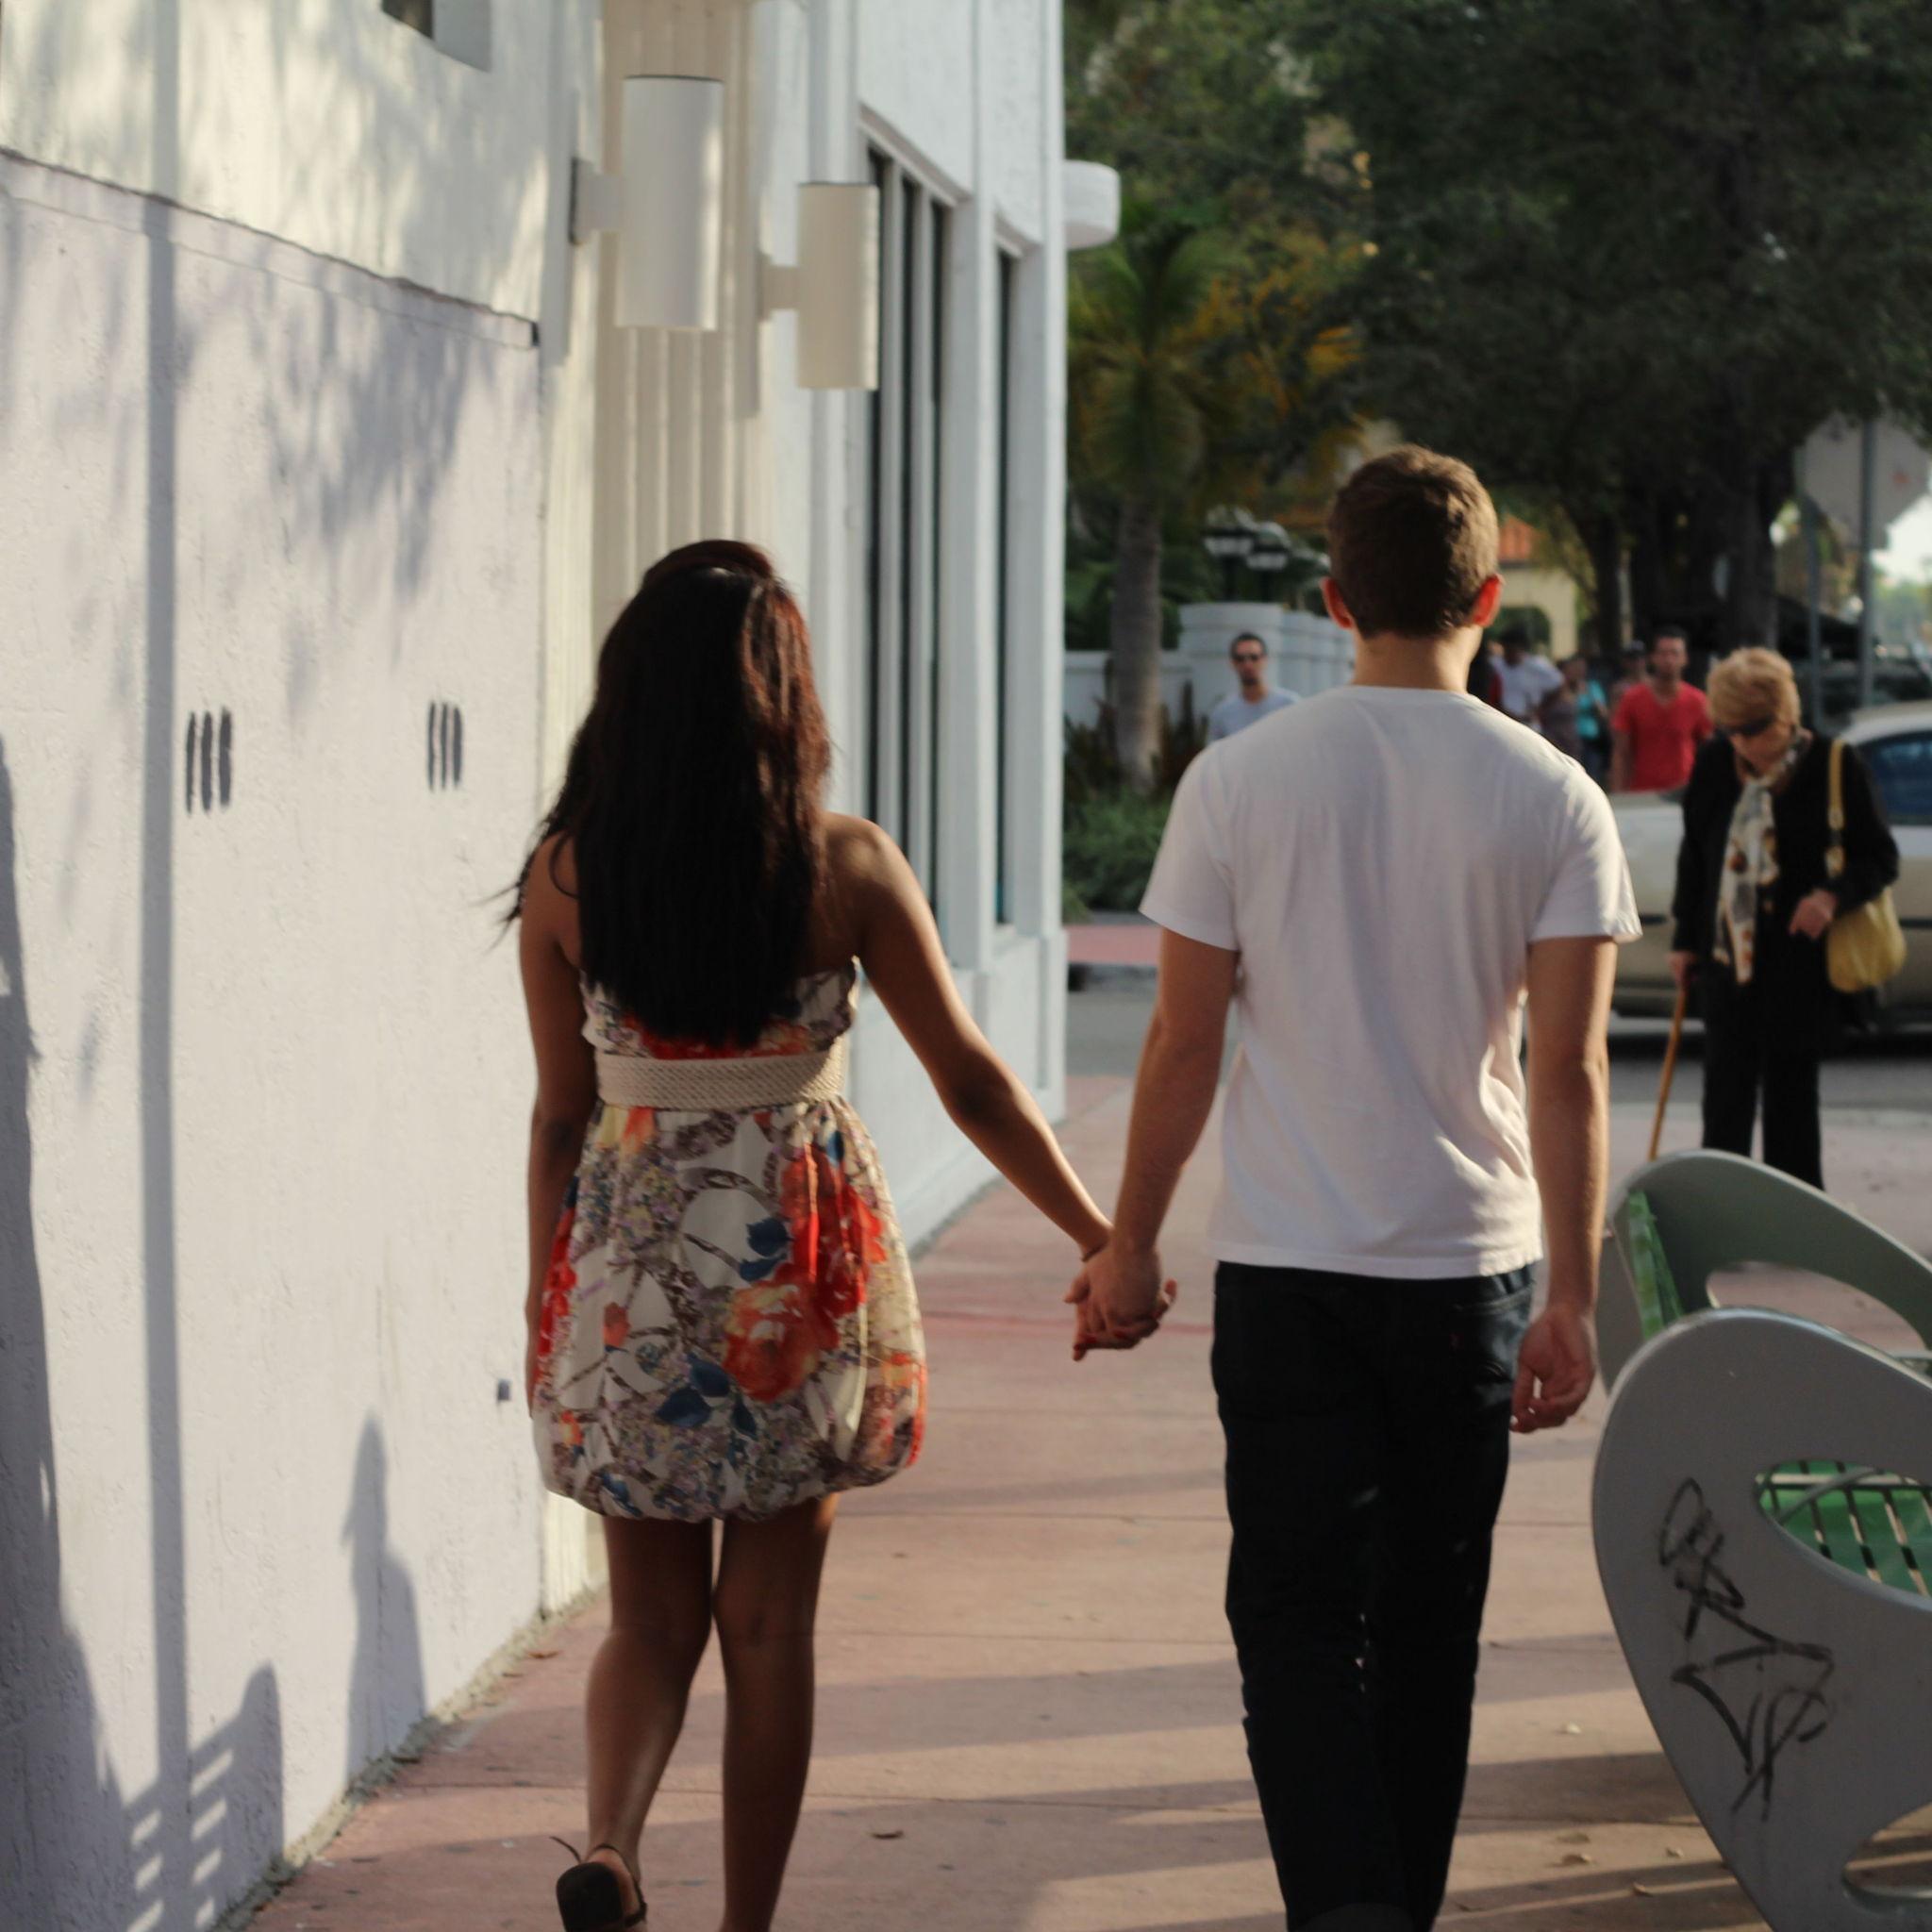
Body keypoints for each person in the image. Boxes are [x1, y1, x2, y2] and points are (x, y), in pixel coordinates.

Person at [512, 542, 1143, 1932]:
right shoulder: (840, 863)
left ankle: (611, 1844)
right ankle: (746, 1926)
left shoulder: (566, 875)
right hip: (790, 1266)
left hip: (628, 1265)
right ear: (782, 694)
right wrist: (1104, 1234)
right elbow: (972, 1081)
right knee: (770, 1627)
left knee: (646, 1616)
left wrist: (544, 1294)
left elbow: (563, 1118)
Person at [1073, 447, 1639, 1932]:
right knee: (1433, 1629)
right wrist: (1574, 1297)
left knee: (1296, 1623)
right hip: (1473, 1272)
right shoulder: (1557, 797)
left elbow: (1186, 1037)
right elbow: (1570, 1073)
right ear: (1489, 600)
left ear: (1333, 602)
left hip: (1291, 1271)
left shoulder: (1240, 782)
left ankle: (1349, 1914)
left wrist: (1130, 1244)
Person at [1670, 647, 1898, 1191]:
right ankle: (1720, 1218)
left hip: (1798, 966)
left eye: (1753, 729)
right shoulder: (1715, 763)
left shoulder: (1834, 765)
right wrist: (1684, 939)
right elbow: (1696, 856)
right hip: (1728, 963)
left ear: (1786, 715)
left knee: (1792, 1102)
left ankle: (1793, 1227)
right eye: (1732, 730)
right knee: (1724, 1100)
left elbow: (1879, 857)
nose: (1743, 743)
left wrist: (1830, 897)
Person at [1609, 627, 1712, 791]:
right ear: (1653, 658)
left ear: (1685, 659)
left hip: (1685, 794)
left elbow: (1709, 752)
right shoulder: (1632, 699)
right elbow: (1621, 752)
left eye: (1675, 654)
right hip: (1642, 795)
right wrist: (1618, 796)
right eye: (1663, 653)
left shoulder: (1697, 701)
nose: (1669, 660)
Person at [1208, 631, 1300, 741]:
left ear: (1264, 660)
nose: (1248, 664)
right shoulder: (1222, 713)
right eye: (1240, 659)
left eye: (1254, 657)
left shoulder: (1290, 705)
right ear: (1232, 663)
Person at [1545, 654, 1611, 775]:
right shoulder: (1559, 691)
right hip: (1565, 741)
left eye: (1581, 668)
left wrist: (1591, 697)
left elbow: (1603, 714)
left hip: (1589, 741)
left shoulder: (1592, 688)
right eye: (1575, 668)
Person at [1492, 628, 1564, 733]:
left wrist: (1541, 710)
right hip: (1504, 724)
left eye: (1510, 649)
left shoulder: (1535, 666)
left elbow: (1559, 683)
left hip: (1529, 726)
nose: (1506, 654)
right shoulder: (1498, 665)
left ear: (1520, 647)